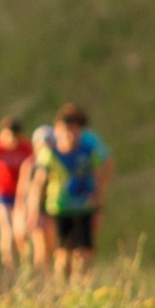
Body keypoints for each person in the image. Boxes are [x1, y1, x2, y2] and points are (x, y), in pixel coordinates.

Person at [22, 103, 110, 280]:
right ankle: (62, 285)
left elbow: (101, 172)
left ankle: (83, 285)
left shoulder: (88, 150)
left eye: (74, 130)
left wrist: (98, 201)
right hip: (60, 207)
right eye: (65, 131)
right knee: (63, 252)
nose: (70, 135)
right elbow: (38, 183)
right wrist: (33, 212)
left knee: (85, 252)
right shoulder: (49, 154)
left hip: (85, 206)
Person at [0, 117, 32, 269]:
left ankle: (24, 265)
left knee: (21, 231)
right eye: (6, 136)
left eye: (13, 137)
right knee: (7, 229)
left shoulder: (26, 148)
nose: (10, 140)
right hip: (1, 194)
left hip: (21, 196)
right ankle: (8, 265)